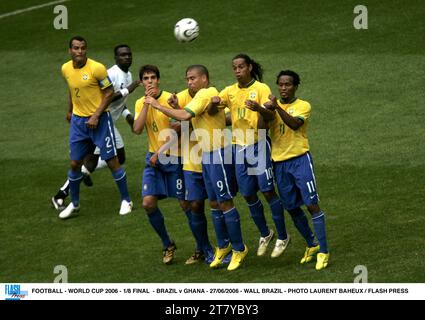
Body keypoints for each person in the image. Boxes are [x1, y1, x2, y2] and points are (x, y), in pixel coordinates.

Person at [147, 65, 248, 271]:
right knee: (213, 203)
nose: (189, 82)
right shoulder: (199, 97)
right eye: (187, 79)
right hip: (206, 155)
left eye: (193, 78)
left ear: (204, 78)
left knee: (225, 202)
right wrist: (175, 106)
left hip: (219, 153)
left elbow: (184, 117)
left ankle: (239, 248)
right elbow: (185, 118)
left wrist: (157, 106)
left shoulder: (207, 92)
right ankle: (222, 247)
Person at [209, 54, 290, 258]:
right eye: (234, 67)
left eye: (241, 67)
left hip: (258, 144)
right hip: (238, 147)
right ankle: (266, 233)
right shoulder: (229, 91)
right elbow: (212, 113)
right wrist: (214, 102)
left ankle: (282, 236)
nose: (237, 71)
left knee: (268, 191)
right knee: (248, 194)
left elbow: (272, 117)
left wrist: (260, 109)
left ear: (250, 67)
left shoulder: (261, 89)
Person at [133, 65, 214, 265]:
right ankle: (167, 243)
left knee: (187, 204)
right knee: (147, 203)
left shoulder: (170, 99)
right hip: (153, 159)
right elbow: (136, 129)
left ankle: (202, 248)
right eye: (145, 78)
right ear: (142, 82)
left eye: (153, 77)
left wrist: (160, 152)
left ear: (158, 80)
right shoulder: (140, 103)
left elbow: (179, 128)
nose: (149, 81)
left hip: (174, 157)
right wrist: (146, 104)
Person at [52, 44, 140, 212]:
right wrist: (127, 90)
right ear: (115, 58)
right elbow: (108, 97)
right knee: (97, 159)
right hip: (97, 120)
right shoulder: (112, 73)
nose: (127, 57)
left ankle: (84, 173)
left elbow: (121, 103)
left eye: (129, 54)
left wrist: (128, 116)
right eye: (122, 55)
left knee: (118, 157)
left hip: (106, 121)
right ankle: (62, 194)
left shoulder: (128, 75)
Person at [265, 70, 330, 270]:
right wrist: (262, 110)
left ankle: (324, 252)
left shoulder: (303, 106)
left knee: (312, 205)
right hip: (279, 163)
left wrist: (276, 108)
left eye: (288, 85)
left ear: (295, 86)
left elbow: (294, 124)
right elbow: (261, 127)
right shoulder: (271, 108)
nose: (284, 88)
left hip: (300, 161)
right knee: (292, 207)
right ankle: (312, 244)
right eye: (281, 85)